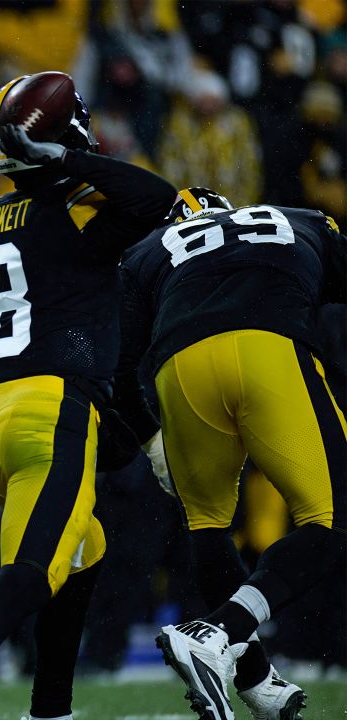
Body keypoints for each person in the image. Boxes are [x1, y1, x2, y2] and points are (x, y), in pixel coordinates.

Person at [0, 72, 176, 720]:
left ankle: (50, 708)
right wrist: (73, 160)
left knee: (84, 550)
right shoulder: (75, 209)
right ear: (63, 137)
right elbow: (155, 198)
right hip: (53, 413)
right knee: (35, 569)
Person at [113, 187, 344, 720]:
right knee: (331, 518)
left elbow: (118, 372)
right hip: (269, 345)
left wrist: (152, 444)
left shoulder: (149, 250)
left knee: (209, 525)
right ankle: (219, 632)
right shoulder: (297, 218)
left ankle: (259, 682)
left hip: (180, 367)